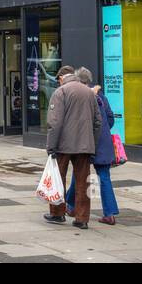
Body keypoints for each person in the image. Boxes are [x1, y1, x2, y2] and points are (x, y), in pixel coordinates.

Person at [42, 65, 101, 230]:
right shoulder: (89, 92)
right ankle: (82, 219)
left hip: (63, 145)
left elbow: (55, 123)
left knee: (58, 178)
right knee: (84, 182)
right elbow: (98, 122)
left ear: (61, 78)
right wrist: (92, 144)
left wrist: (50, 147)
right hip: (85, 145)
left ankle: (57, 213)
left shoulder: (61, 92)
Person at [67, 69, 120, 225]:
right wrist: (103, 132)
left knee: (79, 172)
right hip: (103, 142)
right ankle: (109, 214)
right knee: (104, 177)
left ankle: (71, 206)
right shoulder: (101, 96)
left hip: (86, 141)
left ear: (78, 81)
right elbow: (110, 118)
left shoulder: (81, 96)